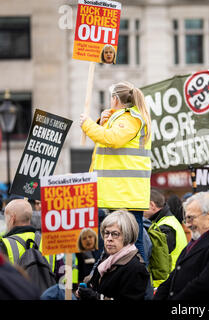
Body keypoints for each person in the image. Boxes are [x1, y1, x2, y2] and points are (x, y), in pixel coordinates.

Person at [80, 81, 152, 263]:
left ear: (114, 99)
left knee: (132, 243)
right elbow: (107, 144)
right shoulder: (123, 118)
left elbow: (112, 139)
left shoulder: (130, 118)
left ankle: (141, 286)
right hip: (120, 192)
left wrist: (88, 125)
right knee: (123, 242)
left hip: (124, 193)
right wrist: (101, 123)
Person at [154, 192, 209, 300]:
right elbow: (173, 278)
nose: (188, 224)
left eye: (191, 218)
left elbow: (206, 286)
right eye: (186, 219)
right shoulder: (196, 241)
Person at [76, 210, 149, 300]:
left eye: (115, 234)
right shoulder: (109, 257)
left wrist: (95, 297)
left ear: (127, 235)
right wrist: (86, 289)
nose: (109, 238)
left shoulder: (135, 268)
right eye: (107, 233)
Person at [0, 199, 55, 273]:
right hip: (46, 284)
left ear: (12, 218)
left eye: (6, 217)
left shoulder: (3, 244)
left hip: (17, 284)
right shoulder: (48, 242)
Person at [144, 189, 187, 287]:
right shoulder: (165, 221)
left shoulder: (165, 227)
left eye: (142, 206)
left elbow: (154, 258)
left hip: (163, 284)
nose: (140, 210)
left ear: (151, 205)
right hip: (167, 281)